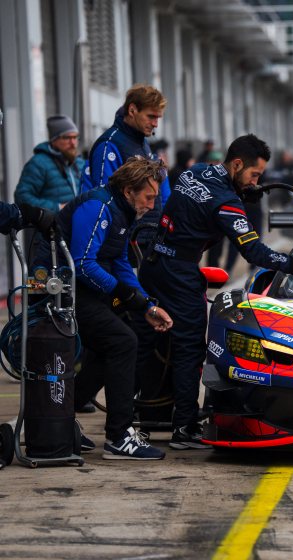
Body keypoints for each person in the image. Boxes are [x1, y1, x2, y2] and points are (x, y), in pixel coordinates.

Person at [133, 134, 293, 450]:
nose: (256, 181)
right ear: (237, 164)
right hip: (179, 274)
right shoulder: (226, 202)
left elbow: (200, 202)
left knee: (140, 346)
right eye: (254, 174)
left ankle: (125, 424)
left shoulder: (195, 172)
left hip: (153, 264)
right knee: (190, 348)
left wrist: (241, 190)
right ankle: (185, 429)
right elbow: (256, 253)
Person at [34, 157, 174, 460]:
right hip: (56, 290)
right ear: (128, 190)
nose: (152, 205)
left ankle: (61, 420)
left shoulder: (124, 211)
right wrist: (126, 295)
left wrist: (146, 305)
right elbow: (83, 264)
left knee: (109, 344)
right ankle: (119, 437)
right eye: (149, 197)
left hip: (78, 287)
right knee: (123, 342)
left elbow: (121, 262)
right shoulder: (99, 207)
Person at [82, 84, 170, 251]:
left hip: (146, 239)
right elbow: (102, 199)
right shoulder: (110, 144)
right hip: (124, 244)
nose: (156, 124)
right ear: (132, 110)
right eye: (151, 116)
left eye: (158, 118)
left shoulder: (143, 142)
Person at [14, 115, 84, 261]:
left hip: (76, 239)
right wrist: (58, 207)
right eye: (66, 137)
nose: (73, 142)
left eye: (75, 137)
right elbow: (22, 196)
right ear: (54, 139)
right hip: (46, 241)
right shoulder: (39, 163)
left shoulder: (80, 163)